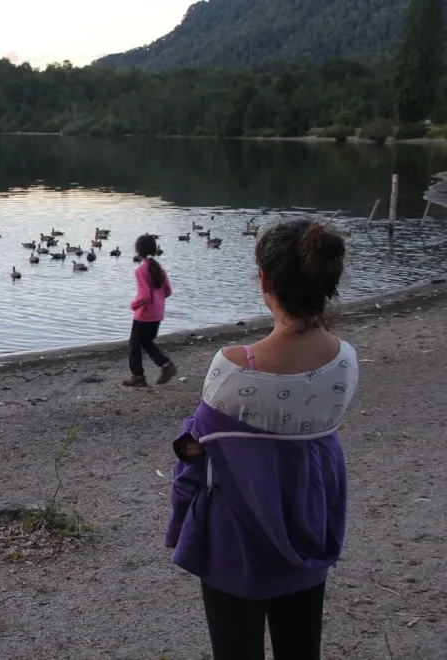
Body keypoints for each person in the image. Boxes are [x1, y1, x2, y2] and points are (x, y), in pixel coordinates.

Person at [165, 220, 359, 660]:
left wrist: (181, 518)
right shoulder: (345, 361)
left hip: (238, 540)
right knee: (301, 648)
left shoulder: (235, 365)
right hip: (309, 521)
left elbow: (196, 449)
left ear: (265, 280)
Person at [123, 234, 176, 387]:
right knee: (146, 341)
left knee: (134, 345)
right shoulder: (159, 267)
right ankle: (166, 365)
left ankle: (138, 377)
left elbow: (145, 295)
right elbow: (168, 291)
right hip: (158, 314)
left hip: (144, 315)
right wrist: (157, 302)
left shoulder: (141, 270)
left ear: (138, 250)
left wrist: (134, 305)